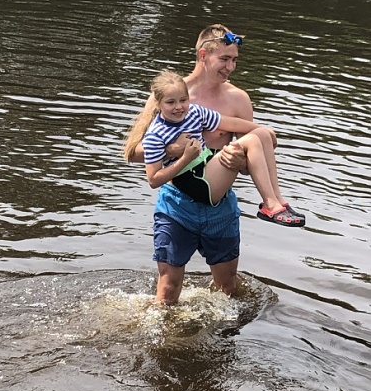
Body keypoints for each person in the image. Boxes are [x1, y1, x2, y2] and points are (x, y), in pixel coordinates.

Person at [124, 24, 305, 305]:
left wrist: (241, 159)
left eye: (234, 60)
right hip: (178, 201)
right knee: (168, 289)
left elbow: (251, 162)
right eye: (225, 59)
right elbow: (132, 153)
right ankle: (162, 332)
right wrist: (174, 149)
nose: (231, 67)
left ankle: (274, 204)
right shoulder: (170, 95)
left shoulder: (238, 99)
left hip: (219, 202)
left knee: (228, 288)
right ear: (203, 55)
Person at [142, 69, 305, 224]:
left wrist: (266, 131)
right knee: (252, 140)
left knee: (260, 134)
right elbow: (153, 180)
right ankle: (269, 204)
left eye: (183, 100)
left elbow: (230, 123)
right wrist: (185, 158)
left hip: (206, 165)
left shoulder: (194, 112)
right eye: (170, 102)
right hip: (192, 182)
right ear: (158, 103)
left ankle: (278, 200)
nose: (178, 107)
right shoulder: (155, 134)